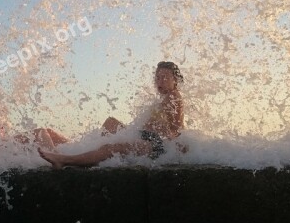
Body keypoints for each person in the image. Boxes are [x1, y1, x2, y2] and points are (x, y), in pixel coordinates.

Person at [38, 61, 185, 168]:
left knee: (112, 147)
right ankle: (84, 151)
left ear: (175, 80)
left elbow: (175, 131)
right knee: (111, 123)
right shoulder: (163, 99)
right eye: (158, 77)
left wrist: (176, 146)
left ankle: (66, 160)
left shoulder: (174, 97)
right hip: (146, 137)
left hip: (157, 146)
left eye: (165, 77)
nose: (160, 81)